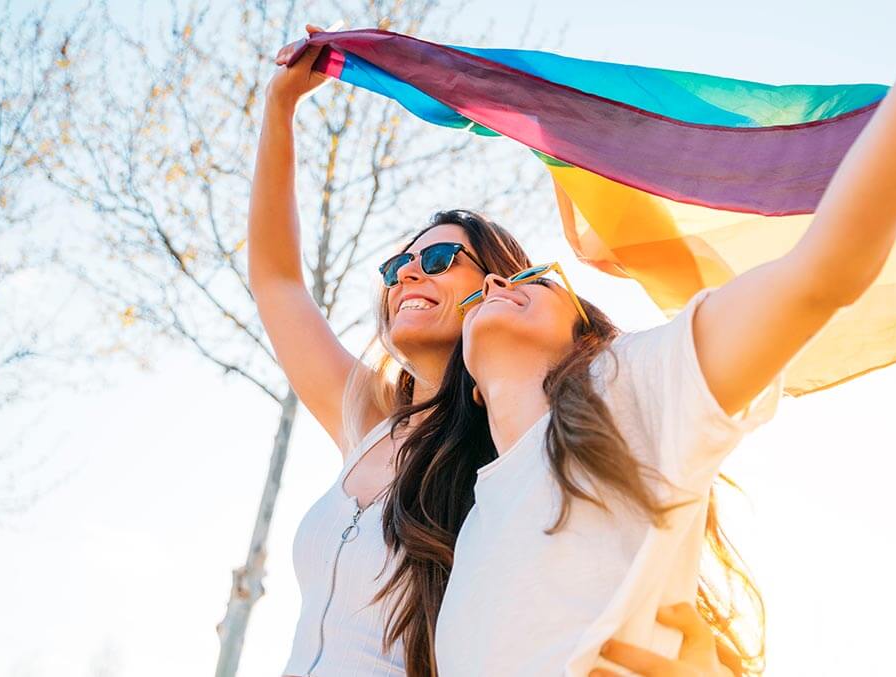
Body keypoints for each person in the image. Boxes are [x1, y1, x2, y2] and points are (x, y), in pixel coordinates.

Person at [375, 0, 896, 675]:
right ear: (469, 388)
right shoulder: (468, 532)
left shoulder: (632, 387)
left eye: (535, 279)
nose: (501, 287)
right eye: (483, 295)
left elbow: (825, 266)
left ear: (584, 338)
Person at [254, 26, 752, 677]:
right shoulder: (370, 422)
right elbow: (277, 281)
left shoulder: (523, 445)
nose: (408, 274)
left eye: (437, 258)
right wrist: (279, 107)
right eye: (396, 265)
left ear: (498, 281)